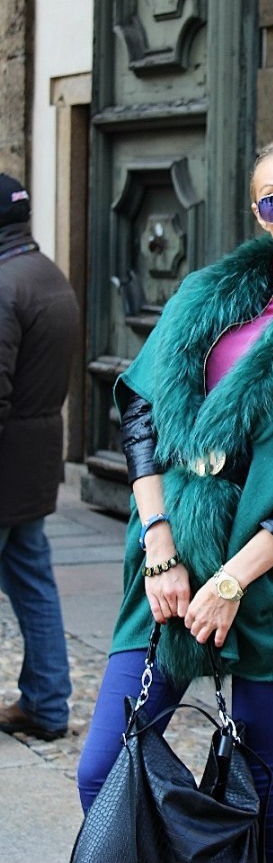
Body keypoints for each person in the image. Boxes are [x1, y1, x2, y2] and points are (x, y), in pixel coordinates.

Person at [76, 136, 273, 861]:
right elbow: (142, 412)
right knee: (104, 767)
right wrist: (160, 547)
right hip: (171, 553)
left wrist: (231, 582)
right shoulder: (205, 295)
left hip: (269, 567)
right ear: (258, 214)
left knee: (266, 774)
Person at [0, 173, 79, 741]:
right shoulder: (46, 273)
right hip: (34, 461)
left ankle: (47, 702)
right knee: (32, 580)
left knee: (31, 578)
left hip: (6, 462)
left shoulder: (5, 284)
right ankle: (48, 704)